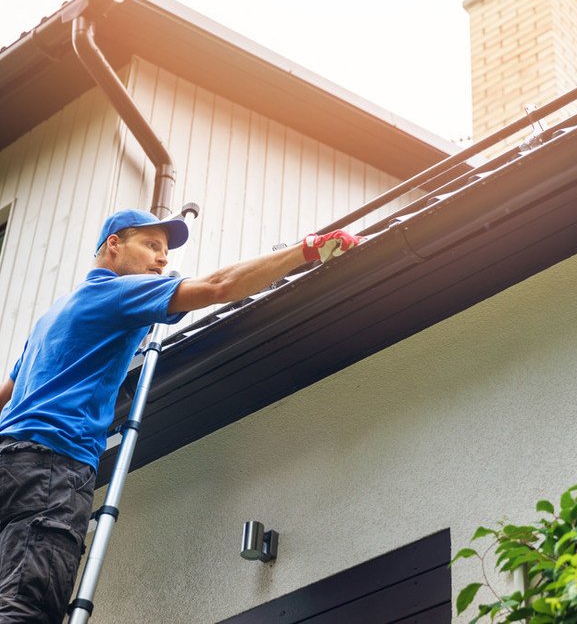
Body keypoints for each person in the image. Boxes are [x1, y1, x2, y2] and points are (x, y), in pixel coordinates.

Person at [0, 208, 361, 623]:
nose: (163, 259)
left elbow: (6, 395)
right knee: (26, 608)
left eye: (165, 251)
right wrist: (306, 249)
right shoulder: (117, 293)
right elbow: (217, 285)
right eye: (152, 246)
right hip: (52, 469)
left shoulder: (51, 316)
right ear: (113, 246)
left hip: (9, 463)